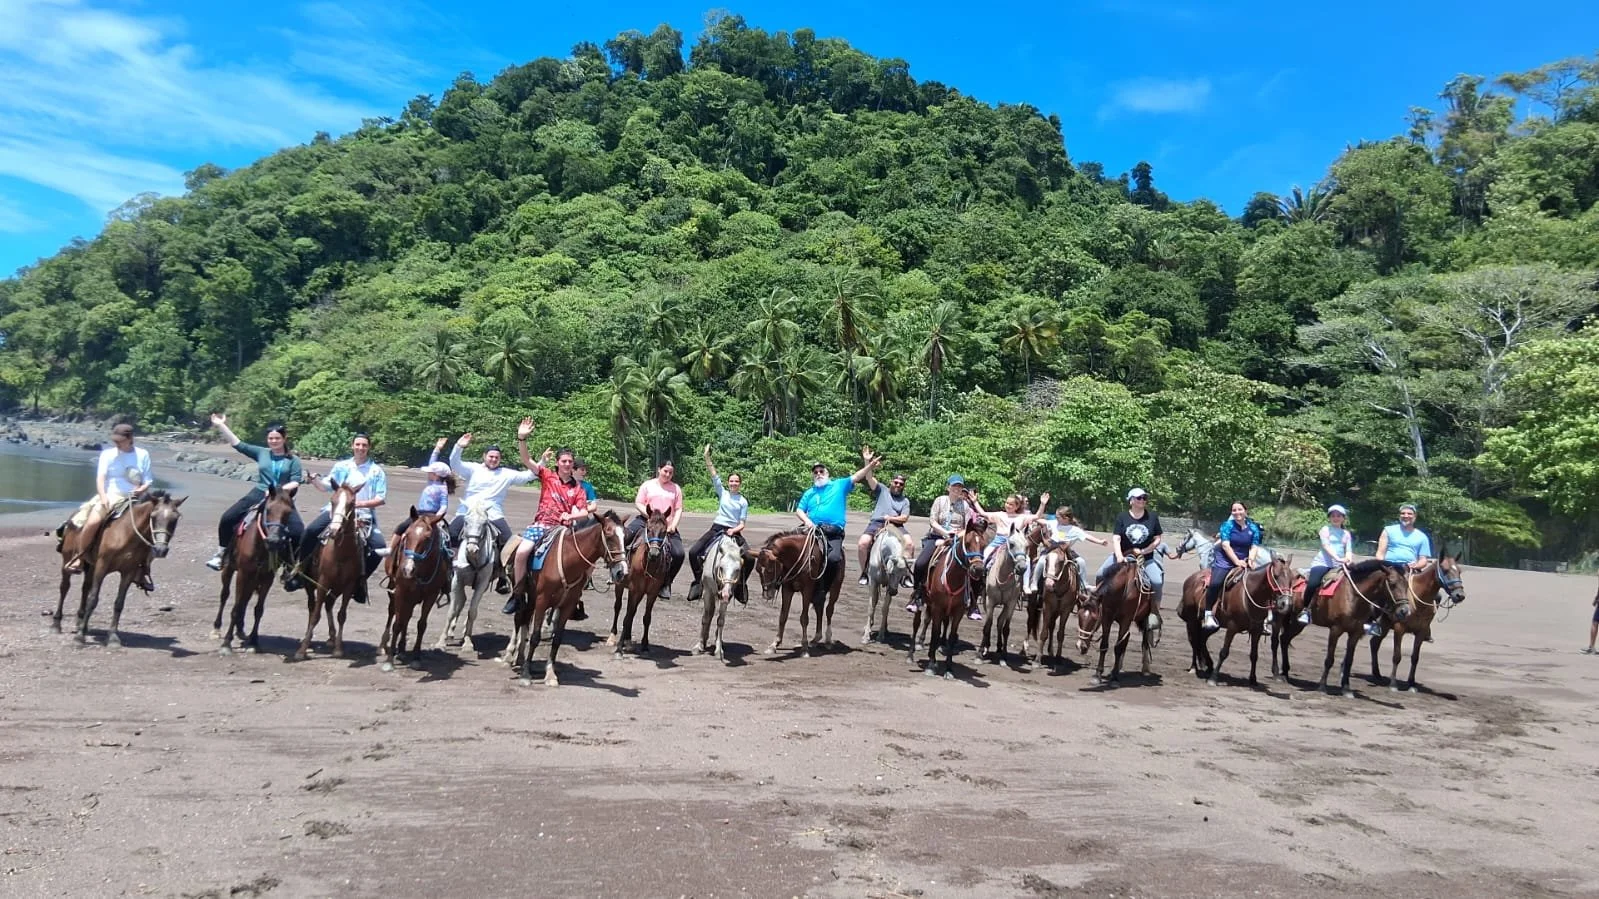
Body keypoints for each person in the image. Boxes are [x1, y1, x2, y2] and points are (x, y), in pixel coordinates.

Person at [287, 434, 388, 602]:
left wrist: (357, 504)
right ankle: (300, 572)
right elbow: (326, 486)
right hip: (335, 512)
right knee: (310, 532)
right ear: (352, 446)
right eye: (357, 444)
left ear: (369, 447)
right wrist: (314, 480)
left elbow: (380, 498)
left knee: (379, 548)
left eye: (364, 445)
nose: (360, 448)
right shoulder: (342, 466)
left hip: (362, 514)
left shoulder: (376, 471)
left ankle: (359, 584)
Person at [448, 420, 537, 594]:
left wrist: (541, 461)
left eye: (496, 457)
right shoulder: (472, 469)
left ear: (500, 459)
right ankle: (448, 569)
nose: (494, 459)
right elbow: (454, 463)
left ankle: (502, 576)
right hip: (468, 510)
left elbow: (529, 475)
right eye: (491, 456)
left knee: (509, 540)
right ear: (484, 456)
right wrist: (459, 446)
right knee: (451, 533)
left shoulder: (506, 474)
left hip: (493, 512)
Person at [205, 414, 304, 571]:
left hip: (282, 498)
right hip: (260, 492)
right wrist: (221, 425)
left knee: (298, 531)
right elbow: (238, 444)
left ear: (284, 439)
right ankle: (221, 554)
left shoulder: (293, 460)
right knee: (228, 518)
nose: (273, 441)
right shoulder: (262, 453)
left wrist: (279, 490)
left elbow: (296, 481)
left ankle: (290, 566)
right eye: (270, 438)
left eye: (277, 438)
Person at [504, 437, 591, 614]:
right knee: (521, 552)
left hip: (563, 529)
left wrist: (572, 514)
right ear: (557, 463)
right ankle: (518, 594)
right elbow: (526, 460)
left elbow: (584, 512)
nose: (567, 464)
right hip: (541, 525)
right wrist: (521, 438)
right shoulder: (547, 476)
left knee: (583, 562)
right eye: (563, 461)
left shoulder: (578, 489)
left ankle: (574, 598)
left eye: (570, 461)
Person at [64, 423, 155, 589]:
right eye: (116, 440)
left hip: (136, 497)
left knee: (153, 529)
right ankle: (79, 557)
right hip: (112, 495)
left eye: (120, 441)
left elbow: (148, 480)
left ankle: (143, 570)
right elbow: (101, 478)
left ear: (130, 439)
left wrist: (140, 490)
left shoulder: (142, 454)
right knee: (92, 522)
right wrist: (103, 497)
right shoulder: (107, 454)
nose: (117, 444)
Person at [796, 447, 882, 616]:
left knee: (834, 558)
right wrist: (807, 521)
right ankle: (787, 583)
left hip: (833, 532)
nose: (818, 474)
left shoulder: (839, 485)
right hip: (813, 530)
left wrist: (868, 463)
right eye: (815, 472)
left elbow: (858, 476)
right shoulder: (809, 492)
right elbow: (799, 510)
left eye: (821, 471)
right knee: (791, 549)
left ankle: (823, 589)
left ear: (827, 473)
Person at [969, 491, 1049, 621]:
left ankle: (1025, 585)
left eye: (1011, 504)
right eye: (1007, 503)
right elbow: (983, 513)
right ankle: (982, 579)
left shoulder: (1022, 517)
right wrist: (975, 501)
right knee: (985, 554)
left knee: (1026, 559)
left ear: (1017, 506)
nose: (1008, 506)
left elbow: (1037, 516)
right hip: (999, 541)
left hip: (1015, 544)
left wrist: (1042, 504)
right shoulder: (999, 515)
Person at [1094, 487, 1166, 631]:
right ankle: (1097, 604)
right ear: (1131, 500)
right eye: (1139, 498)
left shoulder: (1152, 517)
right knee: (1100, 573)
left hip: (1145, 559)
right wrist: (1119, 556)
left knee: (1156, 581)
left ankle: (1154, 612)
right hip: (1123, 556)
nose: (1143, 501)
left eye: (1144, 498)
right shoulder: (1122, 517)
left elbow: (1157, 538)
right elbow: (1116, 538)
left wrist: (1145, 551)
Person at [687, 444, 750, 603]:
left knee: (750, 558)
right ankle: (697, 582)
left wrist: (733, 530)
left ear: (740, 484)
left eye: (736, 481)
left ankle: (741, 586)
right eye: (731, 481)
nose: (733, 483)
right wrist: (707, 457)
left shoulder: (743, 501)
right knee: (694, 552)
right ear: (728, 483)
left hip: (733, 531)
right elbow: (714, 474)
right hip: (716, 528)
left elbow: (742, 523)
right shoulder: (723, 493)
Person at [908, 475, 978, 614]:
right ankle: (918, 594)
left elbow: (968, 527)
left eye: (959, 487)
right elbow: (933, 521)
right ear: (948, 487)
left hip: (958, 539)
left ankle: (971, 601)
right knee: (921, 563)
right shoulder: (939, 501)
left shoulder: (965, 505)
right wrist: (945, 533)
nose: (957, 489)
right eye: (954, 486)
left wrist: (957, 535)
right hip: (937, 536)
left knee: (974, 565)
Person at [1365, 502, 1434, 636]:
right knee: (1376, 590)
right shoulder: (1388, 530)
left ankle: (1424, 626)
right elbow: (1380, 552)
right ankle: (1373, 622)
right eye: (1403, 513)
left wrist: (1417, 565)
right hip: (1389, 567)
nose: (1405, 516)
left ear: (1415, 516)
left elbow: (1423, 560)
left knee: (1434, 594)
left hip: (1409, 569)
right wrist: (1382, 564)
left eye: (1409, 514)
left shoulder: (1421, 536)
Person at [621, 460, 686, 600]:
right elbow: (638, 502)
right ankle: (619, 571)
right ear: (659, 470)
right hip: (645, 519)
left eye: (670, 472)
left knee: (679, 553)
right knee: (623, 537)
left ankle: (666, 583)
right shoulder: (648, 485)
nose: (667, 474)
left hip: (665, 525)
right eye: (665, 471)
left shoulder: (676, 488)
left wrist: (673, 525)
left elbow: (679, 508)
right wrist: (650, 516)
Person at [1201, 501, 1263, 632]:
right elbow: (1225, 545)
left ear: (1245, 511)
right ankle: (1208, 614)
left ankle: (1262, 618)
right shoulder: (1227, 526)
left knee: (1262, 582)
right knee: (1215, 583)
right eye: (1234, 510)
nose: (1237, 512)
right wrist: (1236, 561)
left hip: (1246, 560)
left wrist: (1251, 559)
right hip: (1226, 561)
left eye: (1239, 509)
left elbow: (1254, 546)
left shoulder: (1253, 528)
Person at [1023, 506, 1108, 598]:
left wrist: (1100, 542)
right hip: (1051, 550)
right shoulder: (1053, 524)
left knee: (1081, 562)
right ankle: (1034, 583)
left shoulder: (1074, 530)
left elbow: (1087, 537)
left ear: (1066, 518)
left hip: (1066, 551)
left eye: (1058, 517)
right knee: (1041, 561)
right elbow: (1040, 520)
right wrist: (1032, 514)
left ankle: (1084, 585)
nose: (1056, 519)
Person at [1298, 504, 1354, 625]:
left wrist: (1348, 558)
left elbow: (1348, 550)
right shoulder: (1325, 530)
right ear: (1329, 517)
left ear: (1343, 518)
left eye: (1339, 516)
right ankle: (1305, 610)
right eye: (1333, 515)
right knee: (1313, 583)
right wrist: (1338, 558)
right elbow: (1326, 546)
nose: (1336, 518)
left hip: (1339, 565)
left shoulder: (1346, 534)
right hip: (1323, 563)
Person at [856, 473, 911, 586]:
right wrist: (868, 463)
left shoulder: (905, 501)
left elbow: (904, 517)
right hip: (877, 523)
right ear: (891, 482)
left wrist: (890, 518)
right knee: (863, 543)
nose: (898, 485)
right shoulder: (882, 490)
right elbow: (869, 478)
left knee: (910, 544)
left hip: (896, 525)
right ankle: (864, 573)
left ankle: (905, 575)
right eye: (896, 482)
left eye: (901, 484)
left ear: (903, 486)